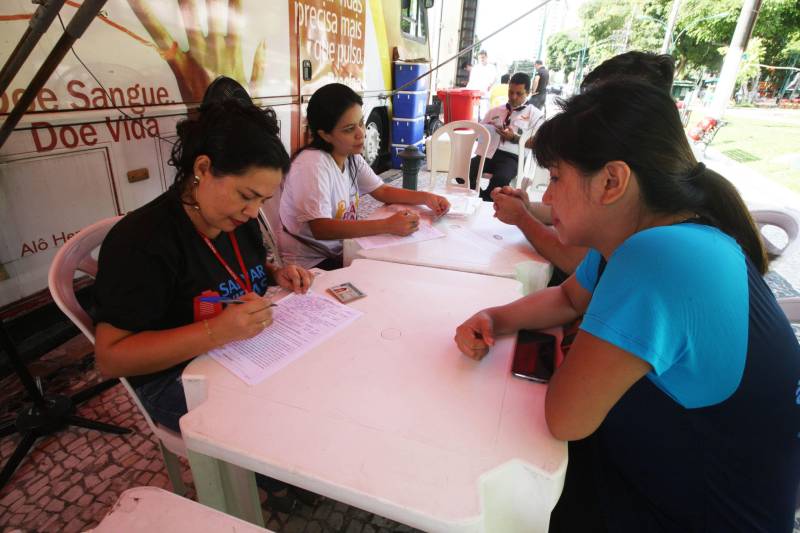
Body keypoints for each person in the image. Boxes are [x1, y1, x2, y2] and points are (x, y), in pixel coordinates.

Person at [454, 79, 800, 532]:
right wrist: (495, 318)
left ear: (612, 181)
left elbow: (565, 418)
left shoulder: (659, 256)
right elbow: (567, 297)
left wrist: (576, 340)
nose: (548, 197)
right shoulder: (651, 235)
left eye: (556, 178)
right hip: (670, 473)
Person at [94, 100, 312, 433]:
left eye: (263, 200)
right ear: (203, 168)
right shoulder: (142, 242)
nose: (253, 212)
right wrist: (217, 331)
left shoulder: (236, 220)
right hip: (174, 376)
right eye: (246, 195)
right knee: (284, 425)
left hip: (241, 351)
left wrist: (274, 274)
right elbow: (111, 358)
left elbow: (224, 271)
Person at [492, 51, 676, 280]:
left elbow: (573, 260)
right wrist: (527, 208)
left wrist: (522, 217)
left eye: (591, 107)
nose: (581, 118)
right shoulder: (629, 162)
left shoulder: (641, 192)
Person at [279, 83, 450, 270]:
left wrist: (427, 198)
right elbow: (321, 228)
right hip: (310, 263)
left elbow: (382, 191)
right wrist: (388, 225)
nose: (361, 134)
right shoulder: (312, 165)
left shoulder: (350, 156)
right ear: (325, 135)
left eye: (360, 123)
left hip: (343, 249)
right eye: (349, 129)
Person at [466, 72, 543, 201]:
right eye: (510, 92)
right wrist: (487, 130)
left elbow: (538, 143)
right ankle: (480, 197)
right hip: (489, 153)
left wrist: (514, 138)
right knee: (463, 170)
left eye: (519, 94)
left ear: (528, 92)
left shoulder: (535, 115)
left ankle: (484, 199)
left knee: (501, 179)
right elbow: (479, 132)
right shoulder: (495, 111)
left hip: (512, 157)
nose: (513, 97)